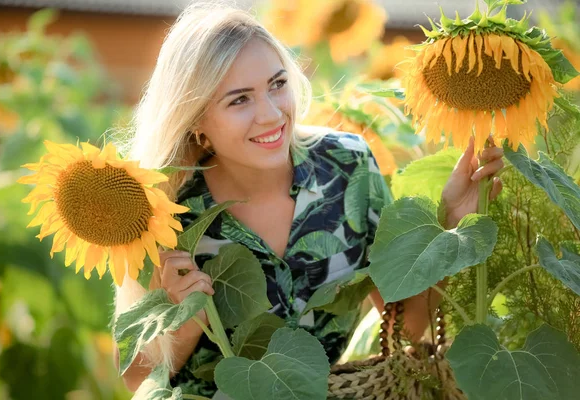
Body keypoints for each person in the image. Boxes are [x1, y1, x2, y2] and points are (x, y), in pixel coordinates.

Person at [113, 3, 505, 397]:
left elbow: (404, 326)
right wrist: (184, 324)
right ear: (196, 119)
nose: (271, 114)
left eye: (277, 84)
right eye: (239, 100)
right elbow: (133, 378)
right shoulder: (166, 211)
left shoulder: (348, 168)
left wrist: (451, 221)